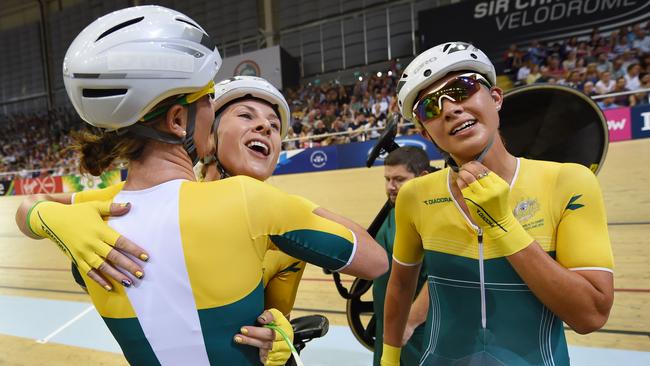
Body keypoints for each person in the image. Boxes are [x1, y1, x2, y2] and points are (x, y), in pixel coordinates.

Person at [15, 6, 388, 366]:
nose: (264, 129)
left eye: (274, 125)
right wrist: (289, 207)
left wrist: (45, 216)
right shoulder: (257, 202)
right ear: (179, 120)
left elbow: (29, 206)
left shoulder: (106, 207)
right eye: (210, 99)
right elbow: (375, 261)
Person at [381, 41, 614, 366]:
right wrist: (389, 358)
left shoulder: (569, 182)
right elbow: (400, 286)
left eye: (461, 89)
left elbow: (591, 316)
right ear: (425, 132)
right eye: (431, 108)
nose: (450, 109)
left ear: (495, 98)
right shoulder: (414, 195)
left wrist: (502, 223)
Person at [372, 146, 435, 366]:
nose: (391, 186)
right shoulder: (395, 210)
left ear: (423, 178)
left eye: (399, 179)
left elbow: (439, 278)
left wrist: (409, 323)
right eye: (387, 179)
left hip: (416, 332)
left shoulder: (432, 217)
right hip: (388, 328)